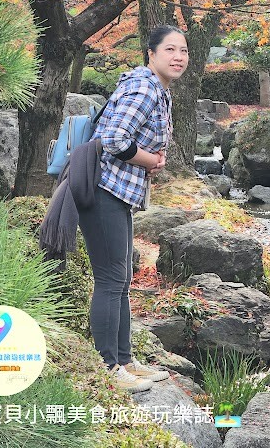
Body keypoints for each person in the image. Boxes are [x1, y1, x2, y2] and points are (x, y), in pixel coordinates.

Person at [77, 24, 189, 392]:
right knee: (111, 279)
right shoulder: (143, 86)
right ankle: (109, 367)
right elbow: (112, 138)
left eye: (183, 51)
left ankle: (124, 360)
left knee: (122, 277)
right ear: (151, 53)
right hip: (104, 190)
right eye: (170, 50)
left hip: (118, 194)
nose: (178, 57)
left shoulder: (157, 89)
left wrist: (152, 158)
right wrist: (148, 161)